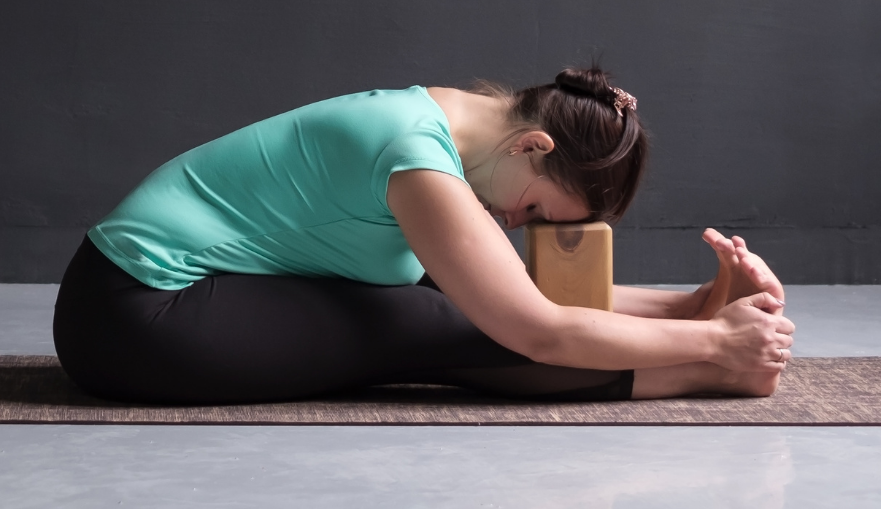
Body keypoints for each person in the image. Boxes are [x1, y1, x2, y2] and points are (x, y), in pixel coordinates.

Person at [53, 66, 794, 404]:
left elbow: (511, 292)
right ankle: (711, 366)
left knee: (449, 300)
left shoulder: (454, 123)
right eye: (536, 210)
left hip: (164, 298)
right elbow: (533, 326)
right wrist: (716, 342)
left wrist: (687, 303)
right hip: (135, 313)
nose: (519, 224)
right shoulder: (417, 161)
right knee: (424, 320)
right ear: (532, 147)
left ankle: (693, 341)